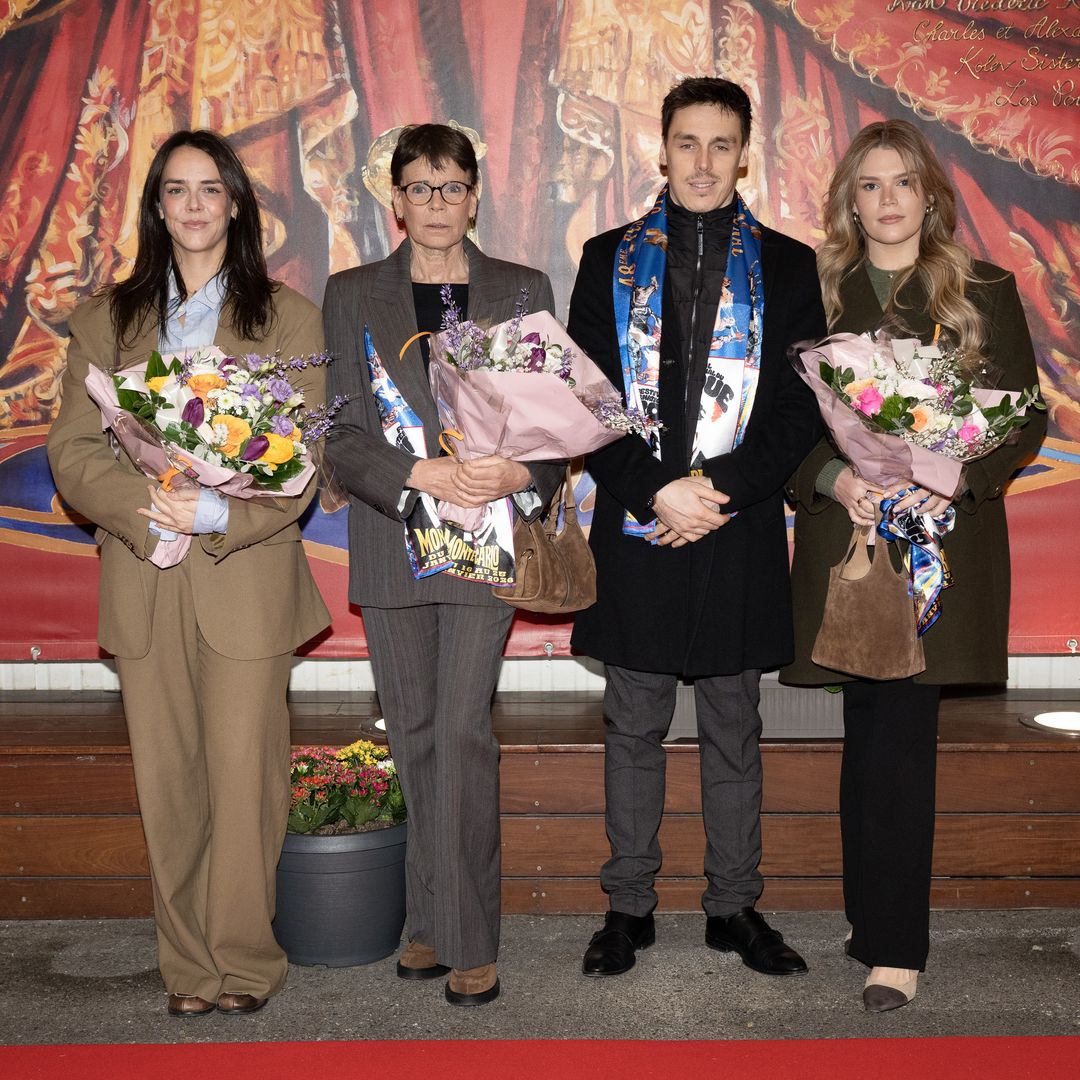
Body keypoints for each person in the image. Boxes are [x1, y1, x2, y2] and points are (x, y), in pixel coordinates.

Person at [47, 130, 330, 1016]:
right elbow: (73, 450)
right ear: (158, 208)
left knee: (246, 783)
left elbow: (300, 462)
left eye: (212, 189)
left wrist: (212, 510)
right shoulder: (106, 320)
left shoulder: (287, 318)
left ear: (238, 204)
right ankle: (189, 973)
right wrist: (146, 510)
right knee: (167, 784)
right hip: (142, 573)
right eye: (178, 190)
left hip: (242, 576)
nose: (196, 205)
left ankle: (244, 964)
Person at [782, 119, 1046, 1012]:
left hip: (943, 543)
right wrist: (833, 475)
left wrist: (956, 478)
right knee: (870, 738)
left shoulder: (985, 288)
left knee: (899, 742)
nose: (887, 201)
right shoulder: (811, 296)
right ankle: (875, 921)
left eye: (902, 183)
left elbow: (1026, 417)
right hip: (850, 538)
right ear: (848, 201)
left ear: (929, 195)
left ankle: (894, 947)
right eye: (868, 185)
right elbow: (771, 429)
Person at [568, 77, 825, 979]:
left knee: (733, 724)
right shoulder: (606, 259)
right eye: (688, 143)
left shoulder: (791, 267)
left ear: (744, 152)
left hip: (737, 522)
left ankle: (734, 907)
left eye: (722, 145)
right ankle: (627, 907)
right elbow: (585, 404)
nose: (704, 162)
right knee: (632, 722)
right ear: (662, 148)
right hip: (640, 527)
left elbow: (801, 414)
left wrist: (713, 492)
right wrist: (654, 493)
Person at [322, 124, 561, 1007]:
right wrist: (414, 475)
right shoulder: (350, 294)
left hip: (486, 540)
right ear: (395, 198)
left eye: (451, 187)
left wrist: (523, 472)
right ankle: (426, 919)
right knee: (413, 735)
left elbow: (557, 424)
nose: (435, 204)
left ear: (475, 193)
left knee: (462, 733)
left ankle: (469, 937)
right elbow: (340, 433)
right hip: (397, 539)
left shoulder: (521, 288)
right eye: (419, 189)